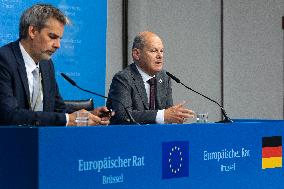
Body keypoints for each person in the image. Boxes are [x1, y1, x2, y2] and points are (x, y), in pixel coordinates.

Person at [0, 4, 111, 126]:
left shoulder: (47, 65)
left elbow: (58, 110)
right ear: (32, 31)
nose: (58, 45)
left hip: (41, 141)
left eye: (60, 39)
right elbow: (9, 115)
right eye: (52, 37)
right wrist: (68, 120)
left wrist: (88, 115)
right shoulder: (4, 60)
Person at [107, 31, 195, 124]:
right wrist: (162, 115)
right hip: (130, 136)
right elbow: (123, 115)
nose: (160, 56)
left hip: (157, 137)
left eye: (161, 51)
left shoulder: (164, 78)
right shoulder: (123, 79)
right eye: (154, 51)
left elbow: (168, 115)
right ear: (137, 54)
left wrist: (176, 116)